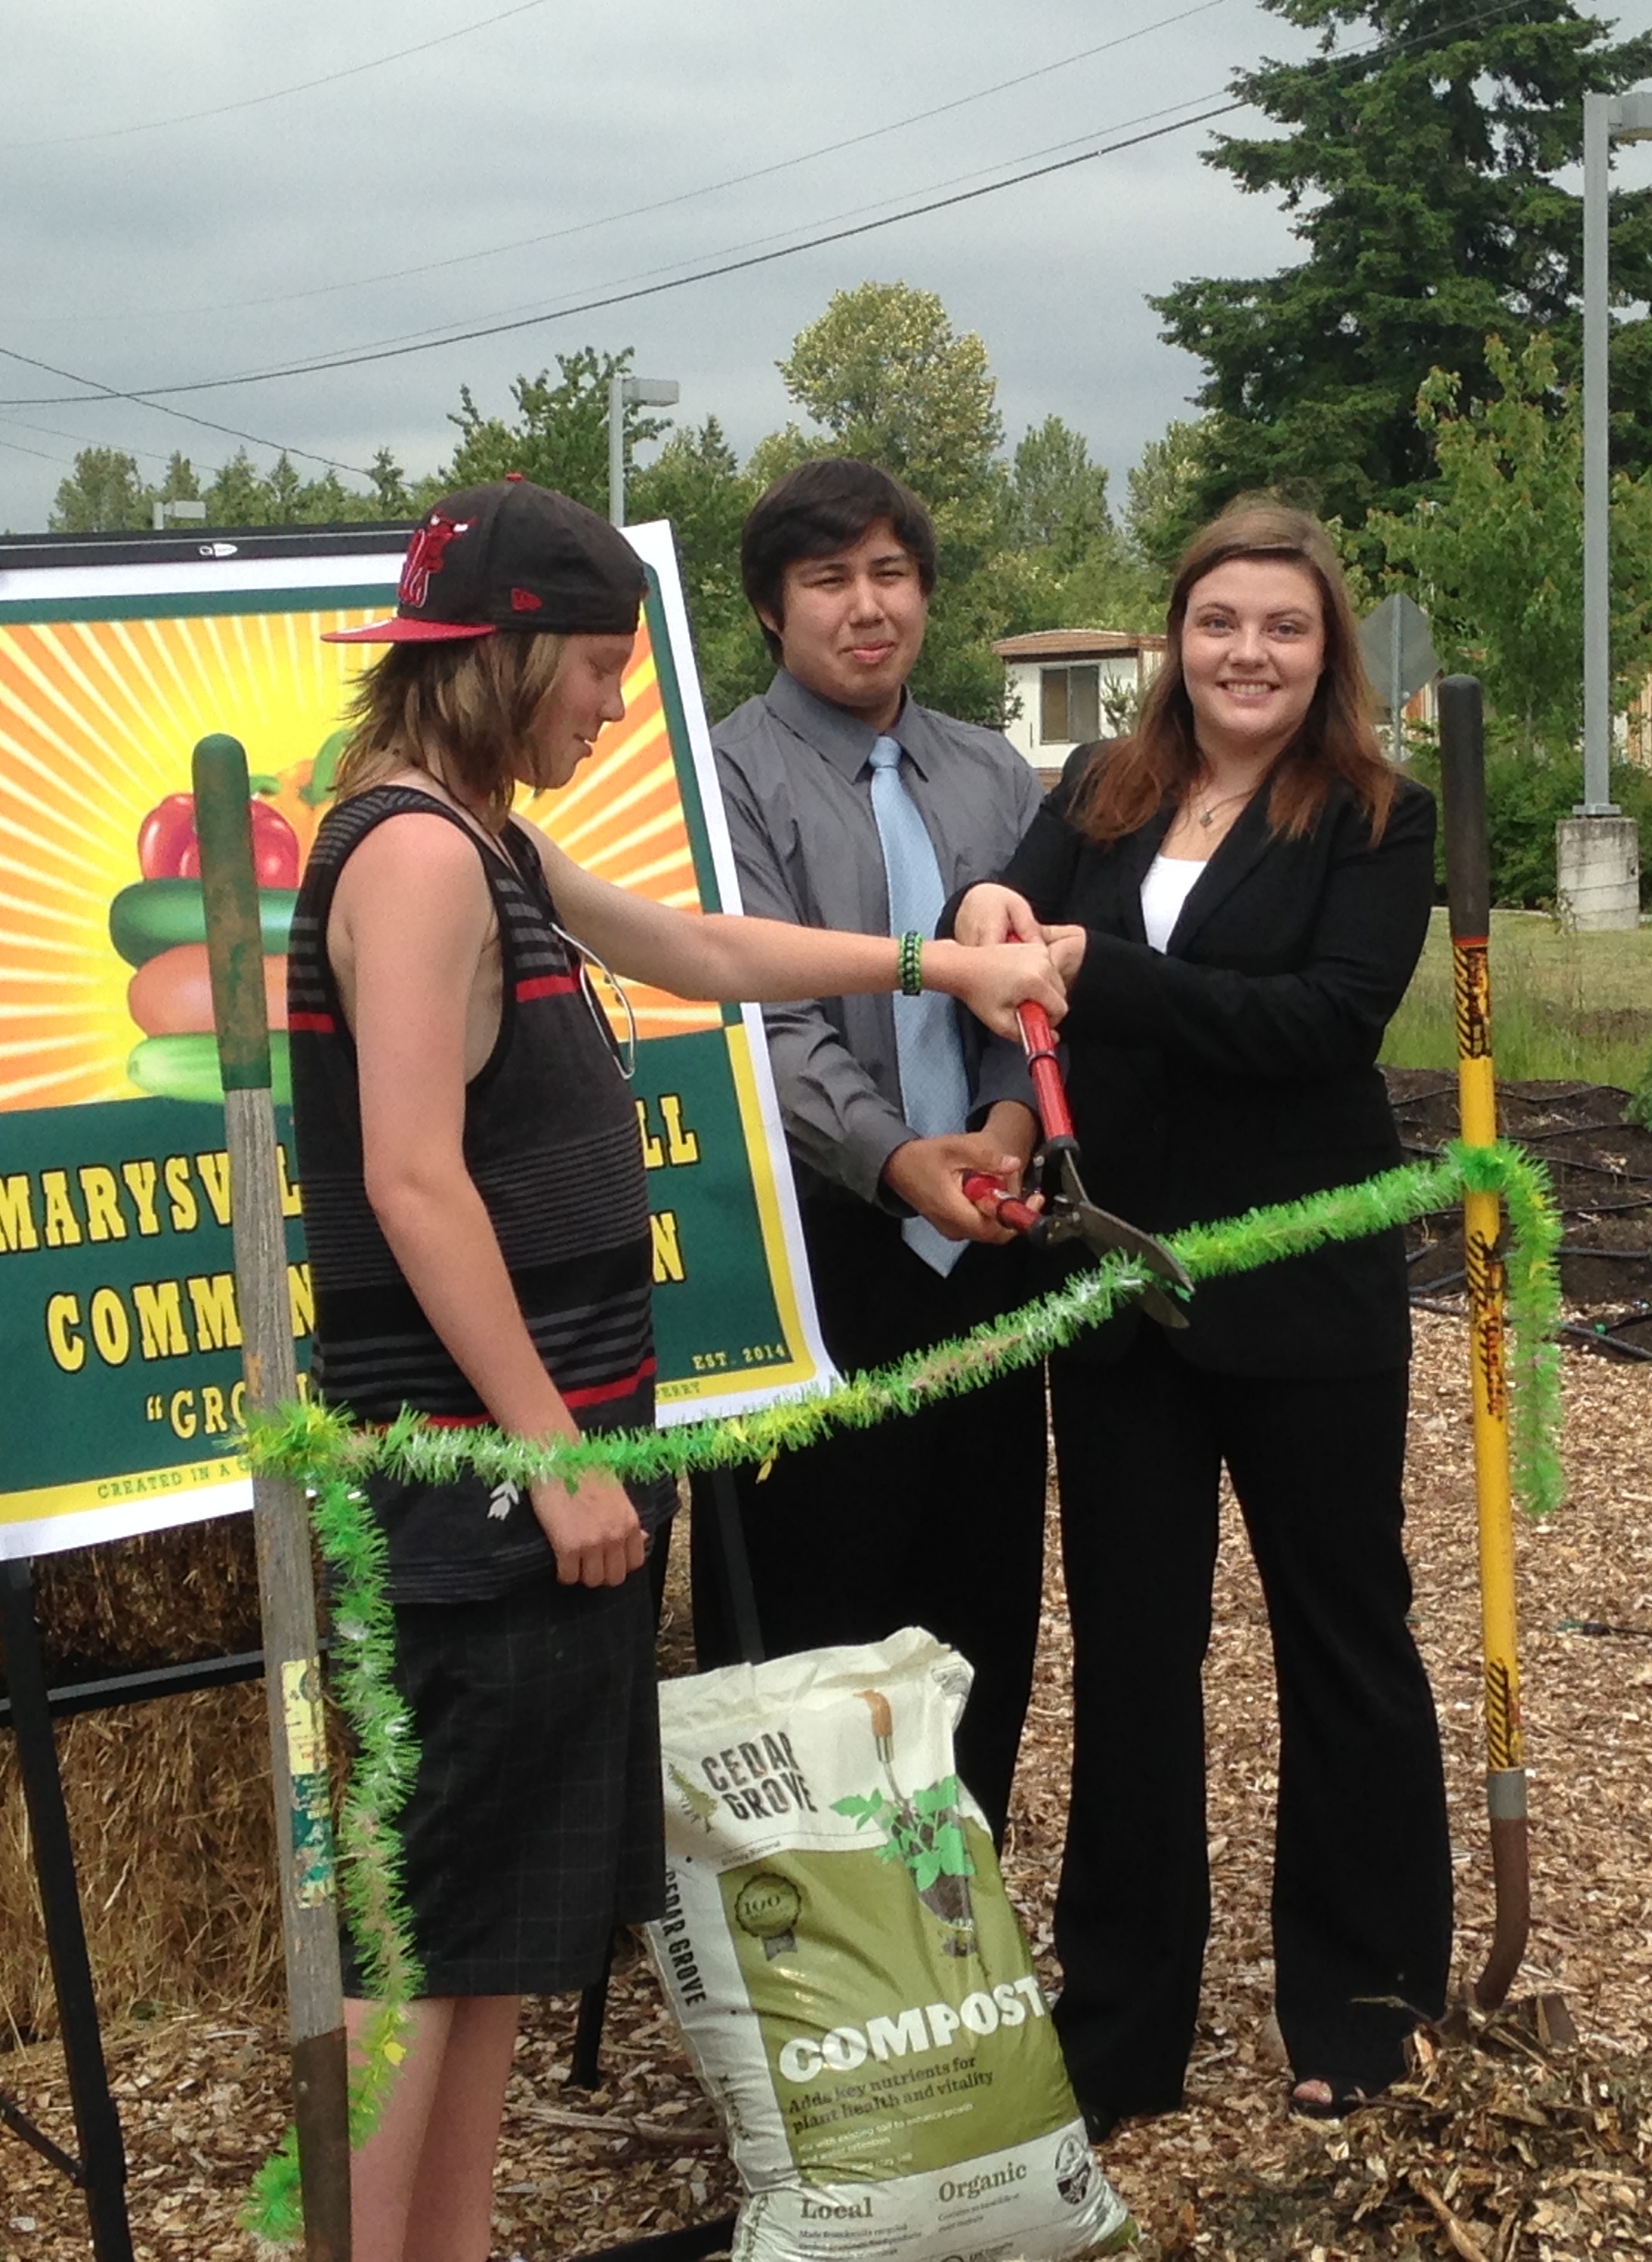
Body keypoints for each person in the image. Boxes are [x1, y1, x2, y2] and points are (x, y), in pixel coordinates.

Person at [291, 475, 1063, 2262]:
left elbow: (704, 950)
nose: (616, 707)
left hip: (530, 1457)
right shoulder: (414, 859)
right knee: (449, 1935)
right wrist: (558, 1456)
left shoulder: (475, 834)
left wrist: (933, 956)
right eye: (598, 670)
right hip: (479, 1481)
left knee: (491, 1944)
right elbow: (412, 1178)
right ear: (512, 652)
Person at [953, 499, 1447, 2131]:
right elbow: (1001, 923)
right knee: (1135, 1653)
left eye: (1284, 628)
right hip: (1115, 1281)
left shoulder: (1378, 816)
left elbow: (1324, 1023)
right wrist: (989, 929)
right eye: (1221, 622)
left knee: (1342, 1635)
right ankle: (1123, 2021)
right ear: (1176, 639)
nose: (1249, 653)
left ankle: (1366, 2001)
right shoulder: (1100, 791)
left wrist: (1099, 973)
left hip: (1302, 1286)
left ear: (1329, 653)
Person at [702, 458, 1048, 1830]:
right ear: (771, 610)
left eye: (891, 574)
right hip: (814, 1248)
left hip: (990, 1239)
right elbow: (763, 1020)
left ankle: (958, 1932)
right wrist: (904, 1160)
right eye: (829, 579)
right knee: (814, 1608)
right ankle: (818, 1963)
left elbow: (1033, 995)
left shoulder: (991, 773)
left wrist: (1008, 1129)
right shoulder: (726, 774)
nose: (867, 607)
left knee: (984, 1603)